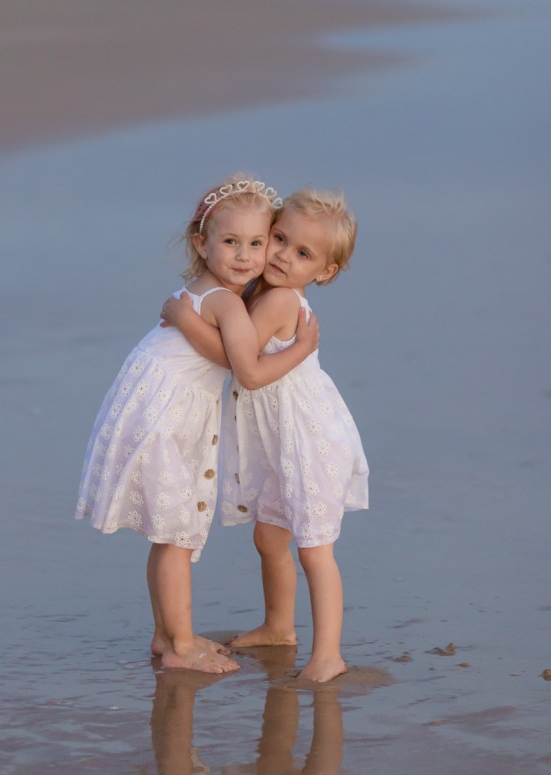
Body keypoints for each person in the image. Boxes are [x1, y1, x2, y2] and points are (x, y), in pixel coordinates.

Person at [75, 174, 319, 675]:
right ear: (200, 243)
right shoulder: (227, 301)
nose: (246, 256)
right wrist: (299, 349)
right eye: (231, 242)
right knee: (177, 536)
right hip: (170, 417)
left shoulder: (205, 290)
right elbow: (244, 369)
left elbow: (222, 355)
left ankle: (166, 636)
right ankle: (182, 647)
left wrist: (181, 316)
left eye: (258, 242)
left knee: (167, 534)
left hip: (151, 404)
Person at [161, 186, 369, 682]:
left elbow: (239, 359)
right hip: (282, 439)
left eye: (302, 254)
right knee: (269, 537)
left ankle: (329, 654)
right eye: (278, 238)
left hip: (307, 438)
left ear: (324, 272)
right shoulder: (264, 293)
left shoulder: (278, 300)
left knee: (315, 549)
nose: (279, 255)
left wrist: (181, 315)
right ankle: (279, 625)